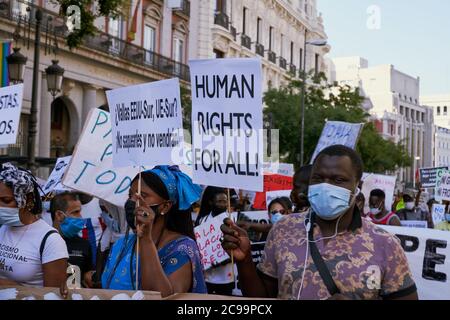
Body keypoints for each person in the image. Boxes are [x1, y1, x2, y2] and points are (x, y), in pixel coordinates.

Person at [220, 145, 418, 300]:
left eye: (338, 180)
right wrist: (244, 261)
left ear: (357, 186)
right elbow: (263, 299)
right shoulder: (282, 230)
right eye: (318, 178)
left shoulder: (385, 244)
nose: (326, 186)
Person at [101, 166, 206, 296]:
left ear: (165, 206)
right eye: (130, 195)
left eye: (142, 196)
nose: (132, 201)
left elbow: (160, 296)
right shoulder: (121, 244)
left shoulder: (182, 249)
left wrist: (145, 238)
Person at [0, 163, 69, 297]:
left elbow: (53, 295)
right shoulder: (3, 228)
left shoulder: (51, 240)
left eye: (6, 200)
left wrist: (5, 285)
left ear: (28, 200)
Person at [195, 187, 235, 296]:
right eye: (219, 201)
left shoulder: (233, 220)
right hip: (208, 277)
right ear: (211, 202)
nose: (223, 204)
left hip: (227, 277)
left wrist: (226, 259)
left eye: (225, 201)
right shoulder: (202, 221)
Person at [50, 192, 94, 288]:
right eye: (75, 212)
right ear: (59, 215)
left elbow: (87, 275)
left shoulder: (84, 244)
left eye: (80, 212)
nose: (81, 217)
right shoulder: (43, 242)